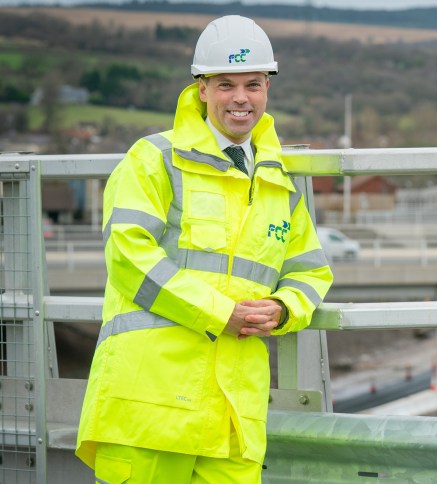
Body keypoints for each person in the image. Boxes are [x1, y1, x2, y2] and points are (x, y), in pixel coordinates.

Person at [75, 15, 333, 483]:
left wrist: (282, 308)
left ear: (267, 89)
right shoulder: (154, 159)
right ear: (201, 89)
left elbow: (310, 271)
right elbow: (127, 255)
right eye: (225, 84)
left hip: (234, 417)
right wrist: (220, 314)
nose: (240, 98)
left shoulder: (279, 181)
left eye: (253, 84)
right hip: (150, 408)